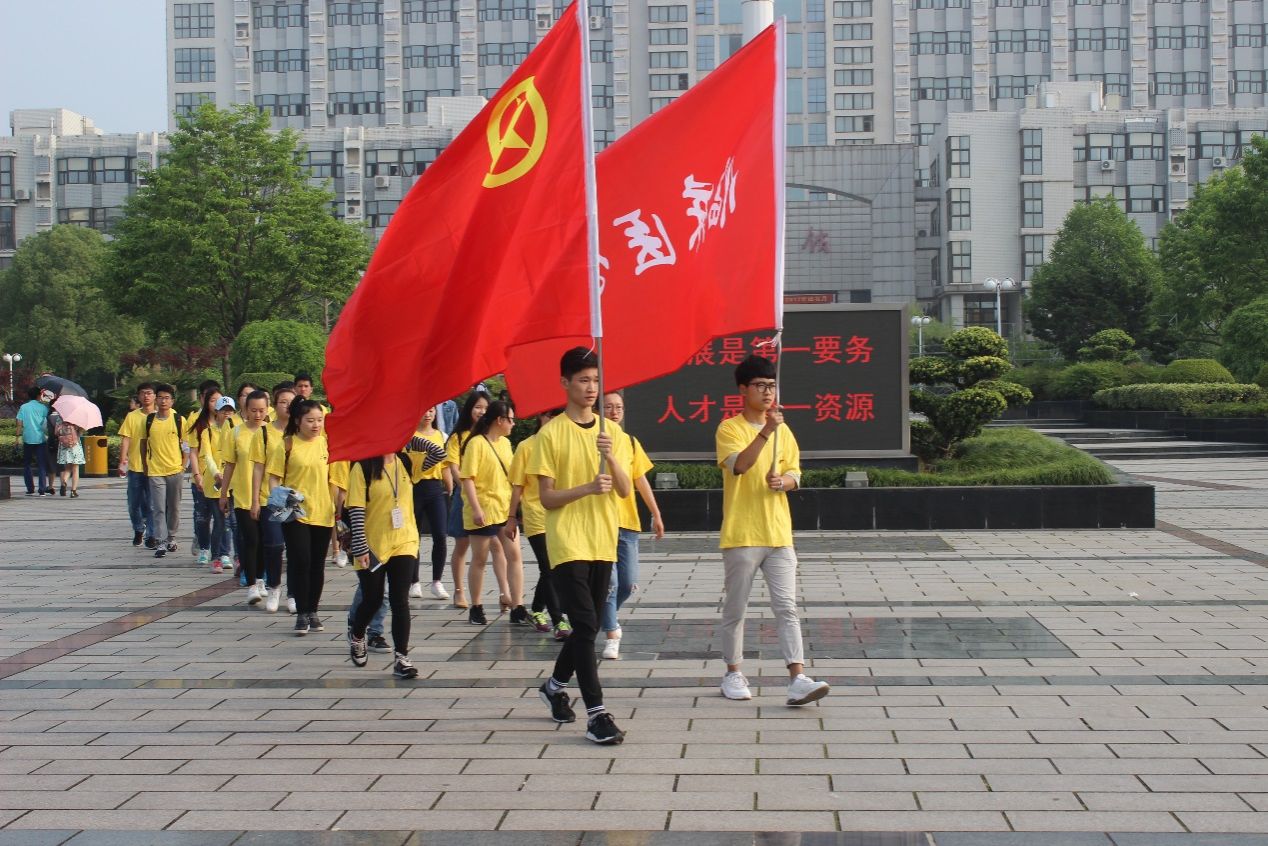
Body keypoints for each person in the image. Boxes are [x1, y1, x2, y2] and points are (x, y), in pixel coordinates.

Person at [715, 354, 830, 707]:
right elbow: (740, 466)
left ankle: (797, 678)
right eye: (760, 386)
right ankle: (733, 673)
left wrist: (785, 482)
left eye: (771, 385)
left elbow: (795, 473)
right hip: (742, 533)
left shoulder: (784, 431)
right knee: (736, 609)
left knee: (787, 608)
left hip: (779, 533)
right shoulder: (729, 429)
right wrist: (766, 430)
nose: (767, 392)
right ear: (743, 389)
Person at [530, 347, 631, 745]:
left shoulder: (613, 433)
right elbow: (547, 498)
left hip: (603, 540)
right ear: (565, 383)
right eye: (584, 380)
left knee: (586, 629)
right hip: (567, 541)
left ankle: (554, 687)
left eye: (596, 381)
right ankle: (597, 714)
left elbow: (624, 490)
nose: (591, 388)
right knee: (587, 625)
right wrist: (587, 487)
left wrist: (611, 457)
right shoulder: (550, 434)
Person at [600, 390, 665, 660]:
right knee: (610, 583)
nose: (614, 412)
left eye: (619, 407)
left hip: (627, 521)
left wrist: (656, 513)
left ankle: (604, 616)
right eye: (608, 407)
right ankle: (611, 633)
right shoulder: (592, 439)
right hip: (600, 521)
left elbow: (640, 480)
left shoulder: (630, 442)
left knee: (627, 584)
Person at [345, 451, 420, 679]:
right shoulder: (363, 466)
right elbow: (356, 509)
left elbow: (438, 453)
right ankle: (358, 634)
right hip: (373, 545)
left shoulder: (405, 460)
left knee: (400, 600)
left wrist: (409, 438)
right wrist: (360, 546)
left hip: (404, 541)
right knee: (373, 599)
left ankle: (401, 658)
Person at [266, 398, 336, 635]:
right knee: (300, 560)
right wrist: (279, 504)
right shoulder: (287, 444)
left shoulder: (327, 444)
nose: (316, 425)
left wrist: (339, 507)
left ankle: (313, 611)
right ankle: (302, 613)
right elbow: (274, 477)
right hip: (295, 513)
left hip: (323, 511)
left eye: (319, 420)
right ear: (298, 421)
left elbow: (334, 479)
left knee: (317, 564)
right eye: (310, 420)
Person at [508, 408, 570, 639]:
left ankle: (536, 609)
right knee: (549, 566)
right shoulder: (526, 446)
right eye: (549, 415)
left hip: (560, 513)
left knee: (552, 568)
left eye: (557, 415)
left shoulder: (564, 444)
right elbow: (517, 485)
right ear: (540, 417)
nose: (553, 420)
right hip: (535, 514)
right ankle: (558, 620)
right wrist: (511, 517)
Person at [458, 399, 522, 626]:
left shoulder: (505, 443)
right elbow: (467, 479)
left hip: (504, 509)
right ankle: (476, 606)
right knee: (480, 559)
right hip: (483, 510)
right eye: (511, 420)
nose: (513, 424)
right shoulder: (476, 444)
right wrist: (476, 508)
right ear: (500, 420)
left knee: (514, 556)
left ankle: (517, 606)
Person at [220, 390, 272, 608]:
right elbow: (229, 465)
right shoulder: (236, 432)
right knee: (250, 539)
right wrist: (223, 493)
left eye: (262, 410)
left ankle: (260, 579)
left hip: (268, 496)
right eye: (253, 410)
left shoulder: (273, 433)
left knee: (266, 541)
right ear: (245, 410)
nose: (258, 415)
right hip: (242, 495)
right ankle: (251, 583)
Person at [443, 391, 489, 609]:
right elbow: (454, 468)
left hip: (488, 498)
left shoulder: (490, 436)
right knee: (462, 544)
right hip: (464, 498)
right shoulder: (458, 437)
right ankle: (459, 591)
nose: (482, 412)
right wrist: (467, 490)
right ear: (469, 409)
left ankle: (504, 593)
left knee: (489, 548)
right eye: (478, 407)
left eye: (486, 408)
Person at [189, 391, 235, 574]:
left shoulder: (236, 431)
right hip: (214, 483)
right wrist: (216, 473)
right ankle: (216, 557)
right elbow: (207, 455)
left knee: (230, 522)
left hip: (233, 482)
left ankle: (227, 554)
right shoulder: (207, 432)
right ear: (217, 412)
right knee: (219, 520)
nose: (227, 414)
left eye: (230, 411)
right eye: (224, 410)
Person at [408, 407, 450, 600]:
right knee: (413, 536)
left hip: (435, 488)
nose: (428, 414)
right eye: (424, 410)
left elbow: (445, 465)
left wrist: (449, 487)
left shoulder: (442, 436)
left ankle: (437, 581)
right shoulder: (409, 436)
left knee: (440, 535)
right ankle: (414, 581)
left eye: (431, 410)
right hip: (413, 488)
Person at [142, 384, 187, 559]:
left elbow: (186, 445)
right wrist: (146, 466)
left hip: (175, 470)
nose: (163, 401)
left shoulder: (179, 420)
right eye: (160, 397)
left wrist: (183, 466)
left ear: (172, 401)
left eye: (167, 398)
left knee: (174, 507)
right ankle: (160, 541)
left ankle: (172, 537)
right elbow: (143, 443)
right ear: (156, 399)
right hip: (155, 471)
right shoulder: (149, 420)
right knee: (158, 508)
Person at [262, 385, 296, 607]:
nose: (288, 406)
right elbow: (260, 468)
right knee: (274, 545)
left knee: (295, 549)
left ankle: (293, 593)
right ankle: (274, 586)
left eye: (292, 402)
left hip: (298, 501)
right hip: (274, 498)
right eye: (283, 402)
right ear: (275, 406)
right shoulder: (266, 432)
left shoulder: (303, 434)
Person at [118, 384, 158, 546]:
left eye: (149, 393)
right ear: (139, 396)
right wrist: (122, 460)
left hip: (155, 467)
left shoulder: (162, 416)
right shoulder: (132, 416)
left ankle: (151, 535)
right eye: (143, 393)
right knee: (133, 503)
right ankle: (138, 529)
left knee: (152, 504)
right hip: (136, 466)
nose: (146, 396)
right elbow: (126, 439)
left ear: (154, 396)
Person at [15, 386, 53, 497]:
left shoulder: (23, 407)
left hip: (27, 438)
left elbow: (19, 424)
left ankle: (30, 489)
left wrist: (17, 438)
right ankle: (42, 489)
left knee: (27, 464)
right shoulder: (43, 408)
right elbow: (47, 423)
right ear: (38, 395)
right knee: (41, 465)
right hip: (40, 439)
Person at [54, 413, 85, 498]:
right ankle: (73, 491)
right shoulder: (76, 416)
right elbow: (80, 432)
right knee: (75, 469)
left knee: (67, 468)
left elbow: (56, 432)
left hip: (64, 446)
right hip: (75, 446)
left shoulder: (60, 416)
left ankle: (64, 483)